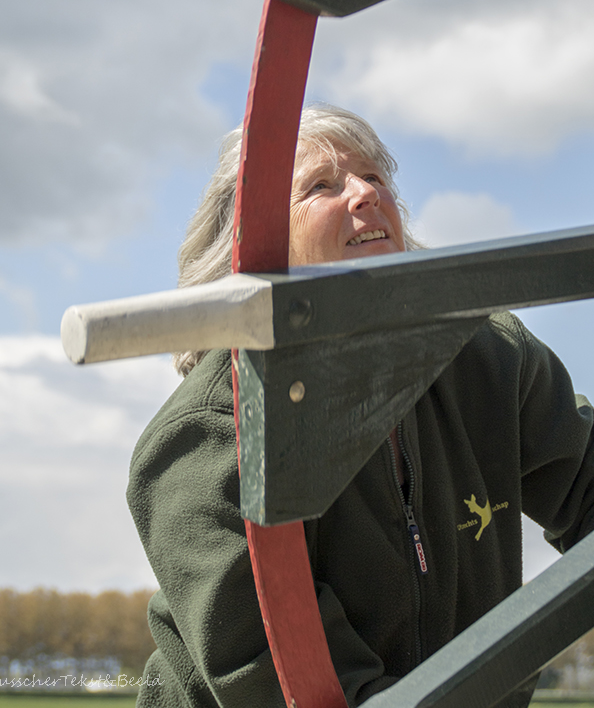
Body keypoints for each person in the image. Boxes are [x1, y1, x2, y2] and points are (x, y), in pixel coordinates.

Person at [127, 103, 594, 708]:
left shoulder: (489, 355)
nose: (365, 194)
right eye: (320, 186)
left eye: (375, 177)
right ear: (253, 240)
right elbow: (276, 673)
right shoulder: (210, 431)